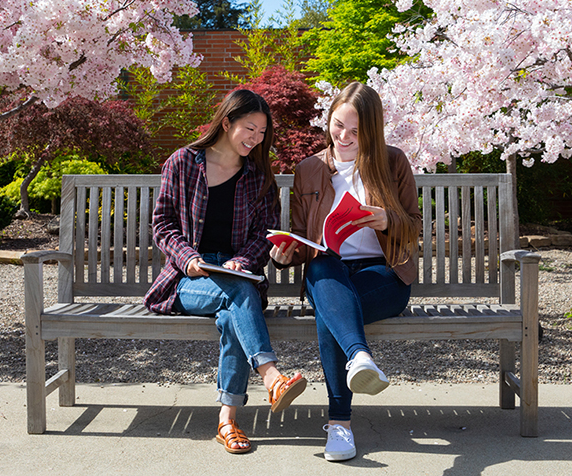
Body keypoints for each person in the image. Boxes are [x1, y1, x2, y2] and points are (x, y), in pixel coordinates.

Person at [144, 89, 307, 454]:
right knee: (239, 296)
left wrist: (243, 262)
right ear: (227, 121)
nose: (256, 139)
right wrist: (188, 258)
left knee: (236, 306)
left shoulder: (259, 176)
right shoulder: (183, 162)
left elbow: (265, 234)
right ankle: (271, 376)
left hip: (238, 278)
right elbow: (163, 224)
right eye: (250, 128)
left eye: (263, 133)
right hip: (188, 279)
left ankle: (227, 421)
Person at [270, 82, 422, 461]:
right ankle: (359, 361)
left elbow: (414, 225)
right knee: (323, 271)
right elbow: (305, 240)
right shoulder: (308, 169)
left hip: (383, 275)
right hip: (330, 269)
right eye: (338, 126)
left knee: (329, 311)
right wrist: (285, 257)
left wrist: (387, 220)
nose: (344, 137)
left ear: (372, 131)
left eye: (356, 132)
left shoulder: (393, 162)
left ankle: (341, 424)